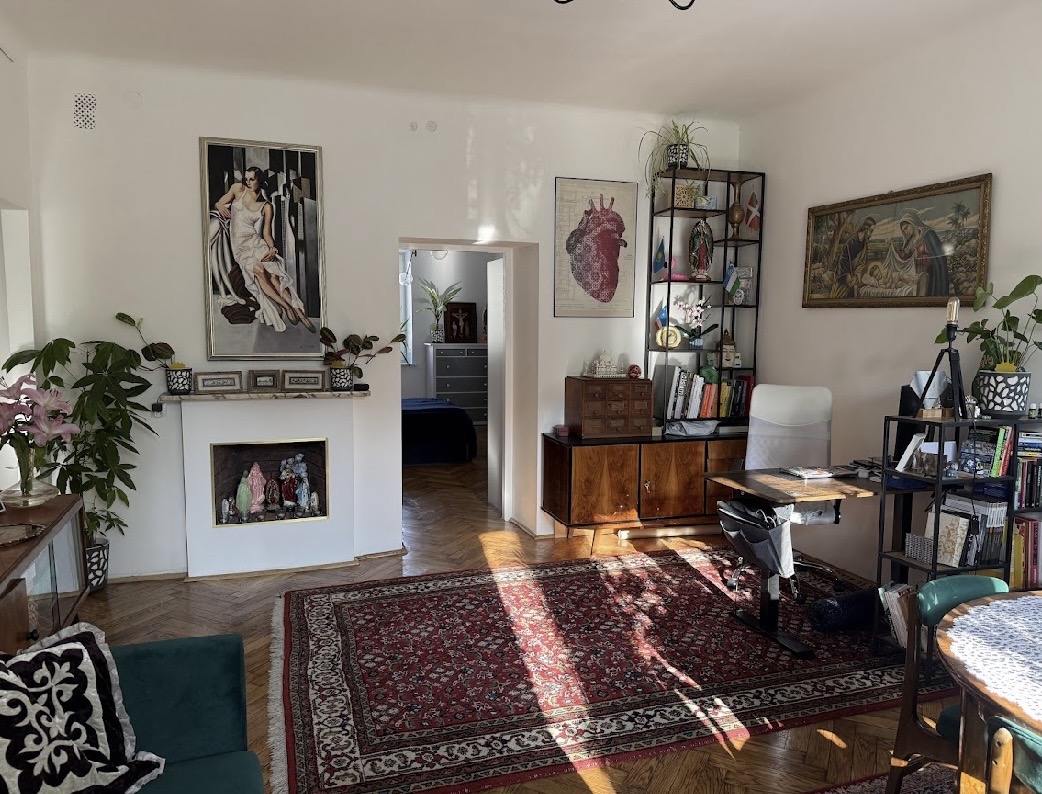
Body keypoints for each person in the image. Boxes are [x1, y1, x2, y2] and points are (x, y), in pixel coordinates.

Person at [213, 167, 315, 332]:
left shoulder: (267, 206)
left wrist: (272, 248)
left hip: (256, 242)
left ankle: (299, 312)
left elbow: (266, 233)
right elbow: (220, 202)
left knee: (275, 276)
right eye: (246, 179)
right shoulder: (237, 189)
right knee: (260, 271)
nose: (248, 182)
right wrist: (220, 205)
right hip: (241, 248)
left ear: (259, 180)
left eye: (252, 179)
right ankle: (286, 307)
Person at [893, 209, 950, 297]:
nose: (906, 232)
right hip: (915, 277)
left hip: (929, 276)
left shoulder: (928, 235)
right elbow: (905, 257)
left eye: (906, 228)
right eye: (903, 231)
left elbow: (937, 258)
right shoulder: (910, 241)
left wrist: (918, 258)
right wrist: (893, 248)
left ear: (912, 222)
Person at [829, 216, 876, 299]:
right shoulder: (850, 243)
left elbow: (862, 262)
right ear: (866, 229)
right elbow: (842, 261)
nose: (871, 235)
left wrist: (857, 276)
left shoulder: (865, 244)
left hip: (854, 281)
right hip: (843, 281)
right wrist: (847, 277)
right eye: (871, 231)